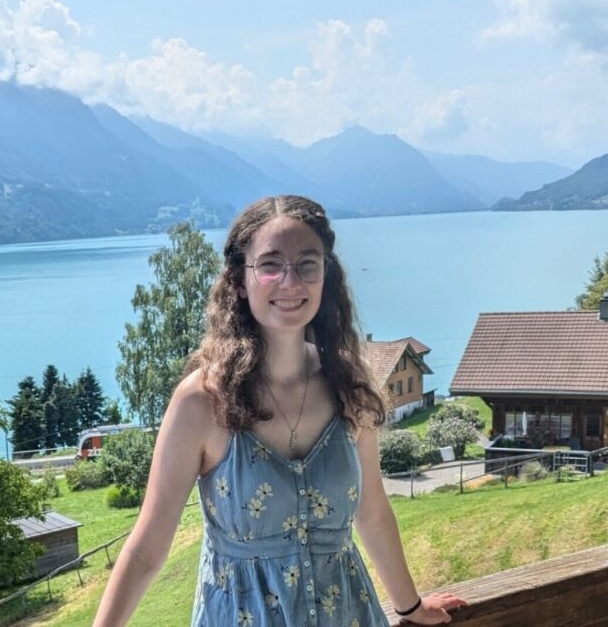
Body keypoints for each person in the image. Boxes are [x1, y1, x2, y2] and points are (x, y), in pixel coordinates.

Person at [94, 195, 466, 626]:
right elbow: (147, 547)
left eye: (307, 263)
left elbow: (373, 511)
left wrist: (410, 607)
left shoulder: (348, 385)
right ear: (239, 279)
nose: (290, 282)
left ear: (326, 273)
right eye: (270, 265)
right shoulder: (202, 401)